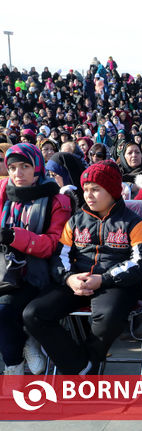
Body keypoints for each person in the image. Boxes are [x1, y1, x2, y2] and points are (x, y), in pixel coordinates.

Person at [24, 160, 142, 375]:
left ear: (112, 191)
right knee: (33, 313)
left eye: (96, 189)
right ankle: (79, 366)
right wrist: (68, 279)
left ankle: (88, 363)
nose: (89, 195)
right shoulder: (74, 221)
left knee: (107, 318)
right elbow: (59, 256)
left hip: (116, 284)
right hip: (77, 280)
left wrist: (104, 279)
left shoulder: (134, 223)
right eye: (85, 189)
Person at [0, 143, 71, 375]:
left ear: (38, 167)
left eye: (25, 166)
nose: (17, 173)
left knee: (4, 309)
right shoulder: (3, 191)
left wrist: (13, 236)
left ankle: (13, 365)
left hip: (36, 273)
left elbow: (51, 245)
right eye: (12, 167)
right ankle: (27, 338)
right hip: (3, 268)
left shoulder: (56, 200)